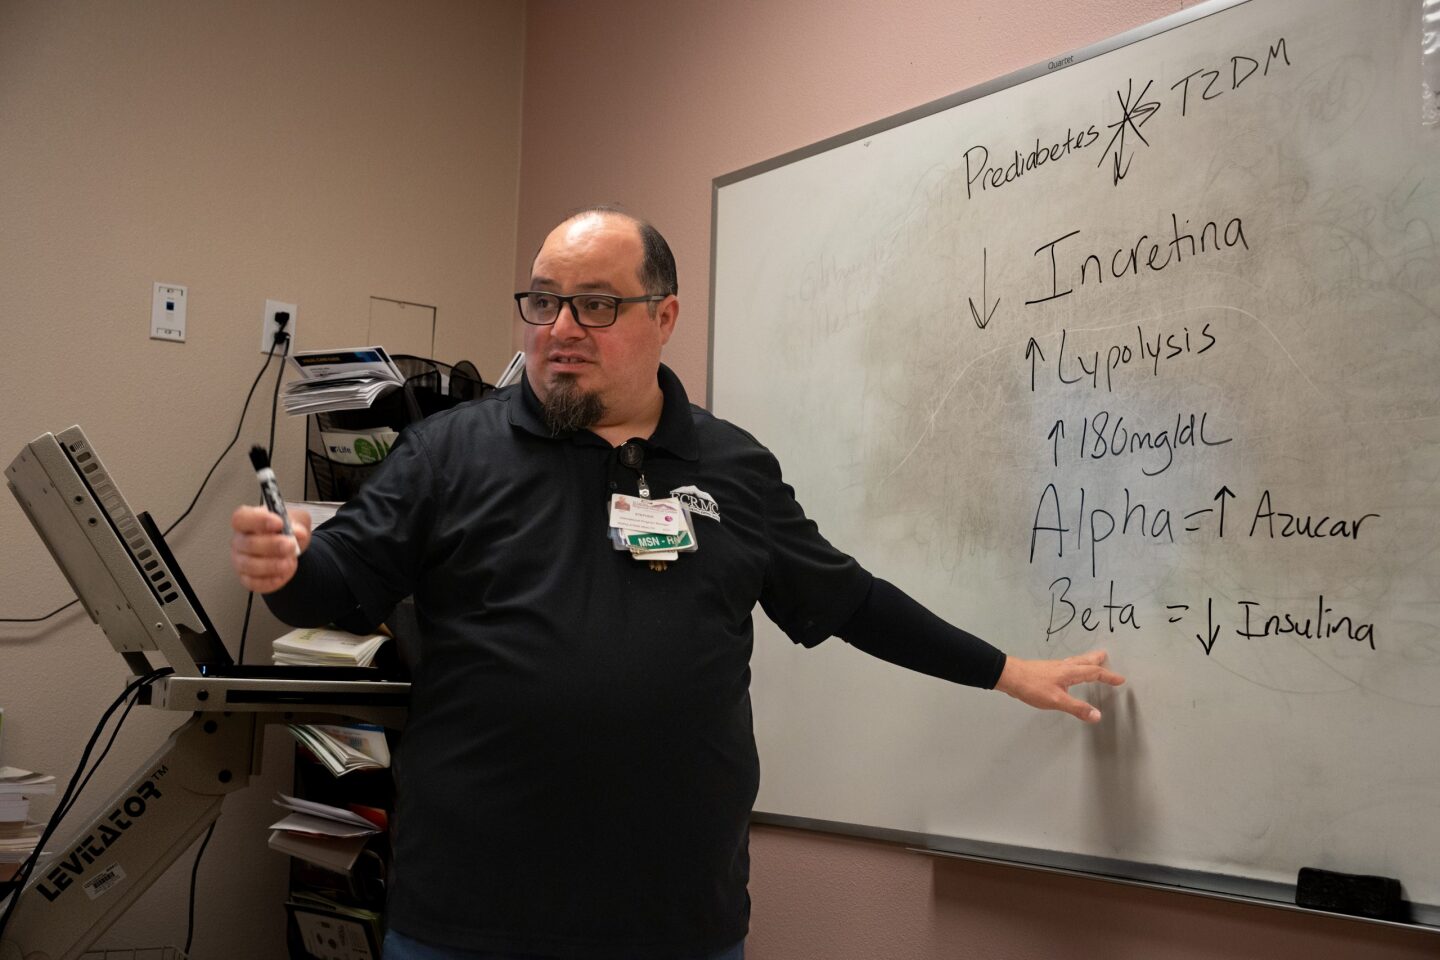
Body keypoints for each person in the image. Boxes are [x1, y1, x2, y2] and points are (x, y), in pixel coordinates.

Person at [232, 207, 1125, 960]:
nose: (559, 329)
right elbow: (332, 588)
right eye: (542, 302)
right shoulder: (447, 453)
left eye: (594, 305)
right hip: (470, 915)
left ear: (664, 318)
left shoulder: (732, 468)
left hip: (673, 918)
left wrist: (1006, 669)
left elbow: (847, 600)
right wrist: (286, 566)